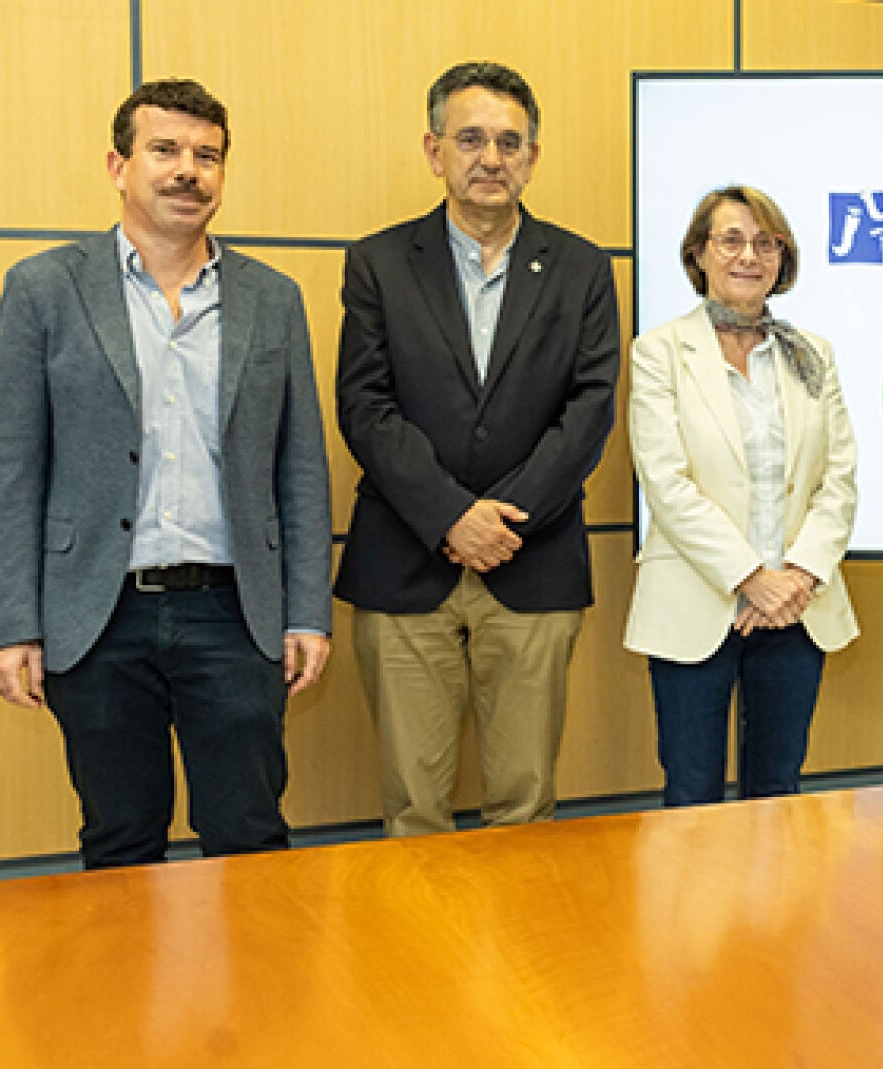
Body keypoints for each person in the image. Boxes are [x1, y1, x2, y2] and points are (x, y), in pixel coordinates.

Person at [0, 79, 334, 869]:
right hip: (96, 617)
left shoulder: (273, 298)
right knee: (120, 841)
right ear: (119, 165)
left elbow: (301, 466)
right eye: (165, 150)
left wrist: (307, 612)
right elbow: (8, 466)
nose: (187, 171)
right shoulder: (44, 288)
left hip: (234, 614)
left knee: (250, 836)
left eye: (207, 155)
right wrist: (11, 624)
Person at [336, 61, 620, 837]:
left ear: (532, 156)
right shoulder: (378, 262)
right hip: (404, 562)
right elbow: (365, 406)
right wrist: (451, 516)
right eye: (470, 139)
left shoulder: (582, 268)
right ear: (435, 151)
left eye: (508, 142)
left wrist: (503, 519)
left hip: (534, 559)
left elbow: (590, 408)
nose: (490, 158)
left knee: (525, 808)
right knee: (412, 809)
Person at [625, 186, 859, 807]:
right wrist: (752, 578)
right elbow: (666, 483)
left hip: (796, 609)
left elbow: (839, 477)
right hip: (695, 602)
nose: (749, 256)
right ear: (698, 254)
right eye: (731, 240)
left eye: (766, 243)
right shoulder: (659, 352)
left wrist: (797, 577)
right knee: (692, 797)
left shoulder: (812, 354)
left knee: (778, 793)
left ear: (783, 258)